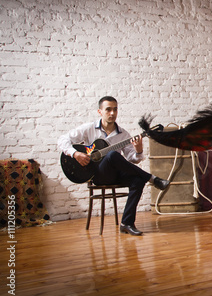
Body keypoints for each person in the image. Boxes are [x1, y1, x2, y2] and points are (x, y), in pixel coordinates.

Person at [58, 96, 170, 236]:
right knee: (111, 155)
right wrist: (75, 154)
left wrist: (139, 150)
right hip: (97, 175)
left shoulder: (123, 134)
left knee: (138, 180)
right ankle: (152, 178)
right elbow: (62, 140)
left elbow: (133, 159)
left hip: (115, 174)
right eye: (108, 110)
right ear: (100, 111)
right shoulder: (89, 128)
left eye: (115, 109)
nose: (112, 113)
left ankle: (127, 223)